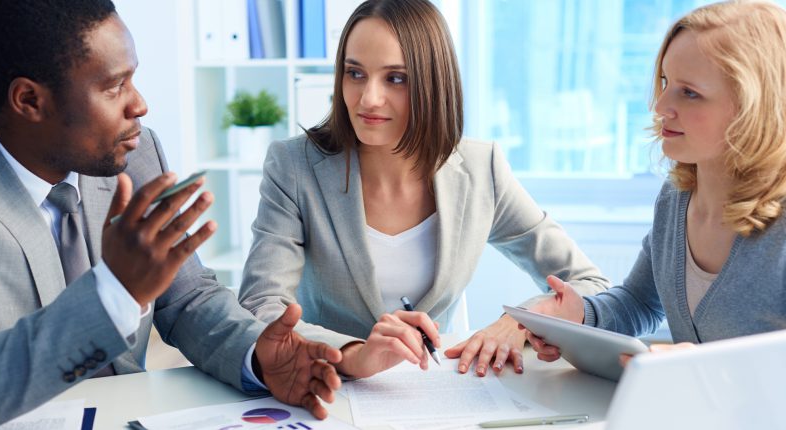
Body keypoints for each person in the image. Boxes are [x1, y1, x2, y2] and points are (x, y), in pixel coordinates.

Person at [0, 1, 341, 429]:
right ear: (29, 99)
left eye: (132, 78)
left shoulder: (132, 152)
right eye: (114, 86)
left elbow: (188, 298)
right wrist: (114, 292)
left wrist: (257, 356)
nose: (140, 105)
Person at [238, 0, 610, 380]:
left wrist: (521, 322)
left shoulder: (482, 170)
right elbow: (260, 305)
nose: (368, 99)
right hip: (329, 388)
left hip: (438, 390)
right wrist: (352, 353)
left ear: (433, 82)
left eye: (395, 78)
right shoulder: (294, 167)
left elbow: (590, 286)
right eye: (355, 73)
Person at [526, 0, 786, 365]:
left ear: (754, 107)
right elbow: (639, 302)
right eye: (665, 82)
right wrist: (579, 315)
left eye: (690, 92)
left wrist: (710, 367)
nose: (659, 106)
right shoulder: (676, 197)